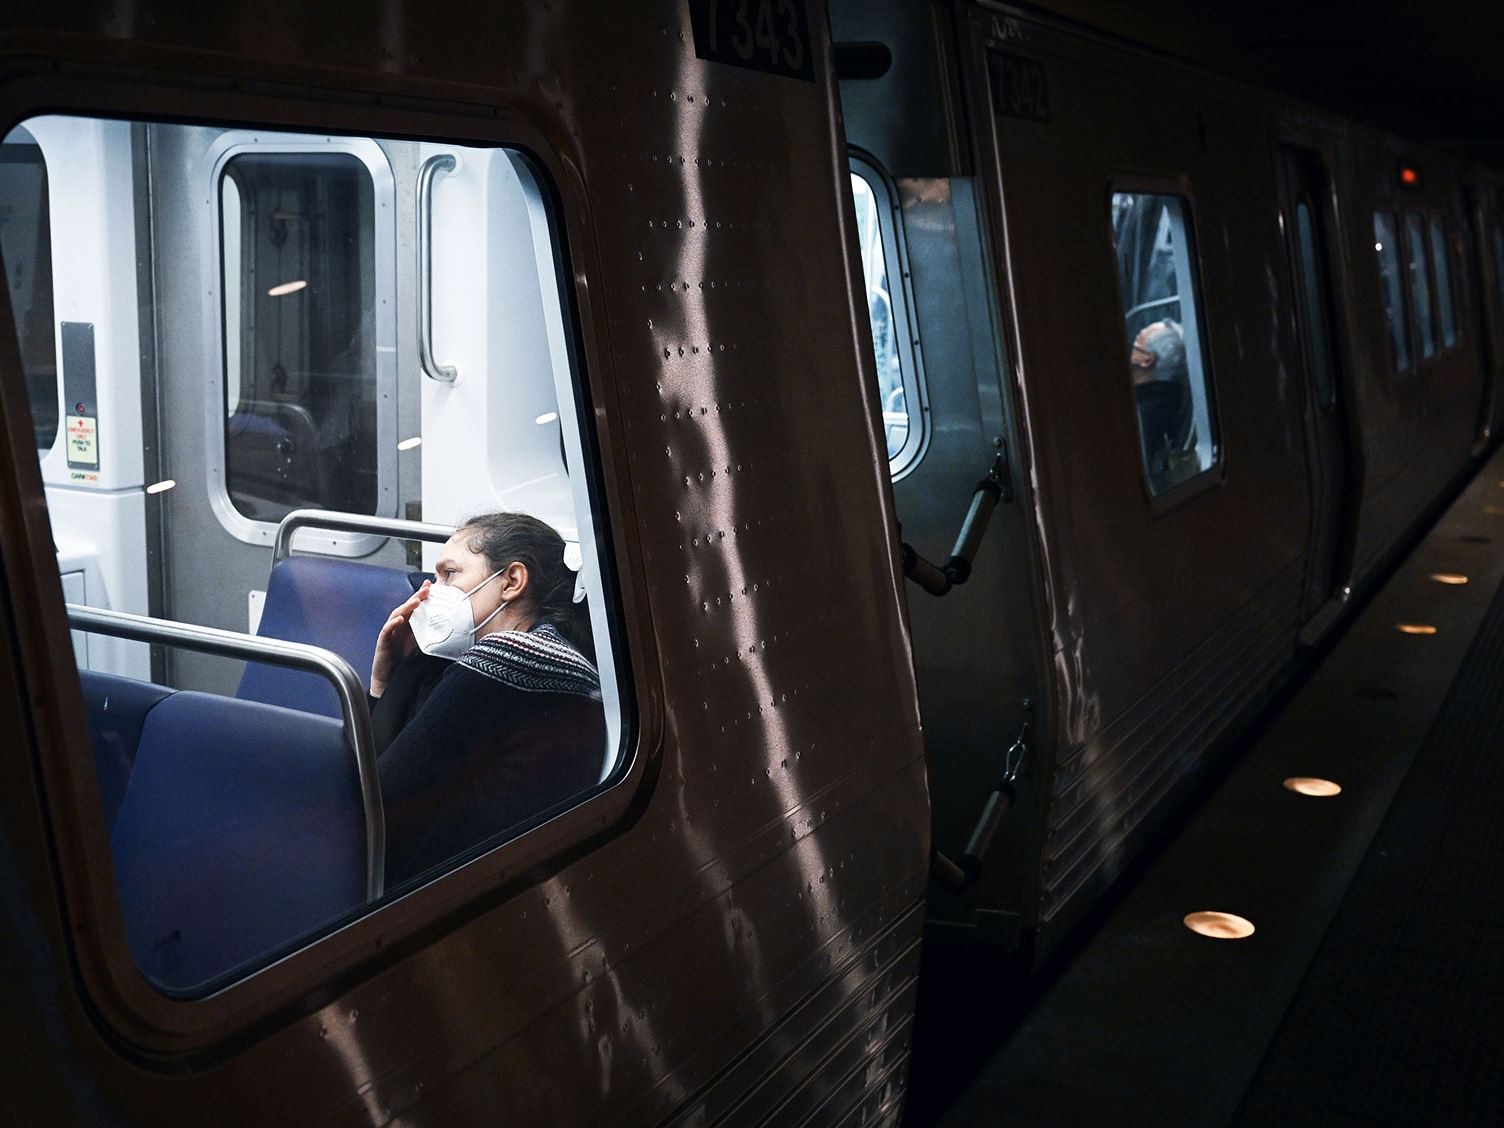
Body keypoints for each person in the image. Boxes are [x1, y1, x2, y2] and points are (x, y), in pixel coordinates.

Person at [369, 512, 605, 886]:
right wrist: (392, 674)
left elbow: (375, 793)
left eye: (450, 574)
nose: (432, 591)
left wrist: (390, 680)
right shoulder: (550, 653)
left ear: (511, 581)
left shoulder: (510, 657)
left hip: (451, 882)